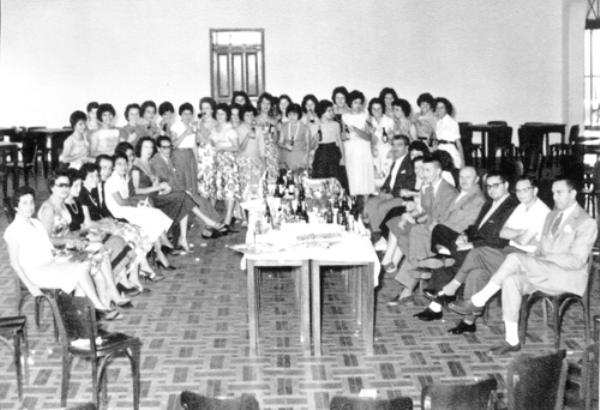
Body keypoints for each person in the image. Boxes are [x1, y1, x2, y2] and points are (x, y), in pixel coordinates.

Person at [450, 177, 597, 354]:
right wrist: (535, 257)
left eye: (559, 192)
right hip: (544, 272)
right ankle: (512, 340)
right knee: (511, 280)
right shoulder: (552, 215)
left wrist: (541, 258)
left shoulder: (586, 222)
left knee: (515, 258)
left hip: (565, 277)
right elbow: (541, 246)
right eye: (553, 193)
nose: (555, 197)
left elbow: (577, 261)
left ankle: (478, 300)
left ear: (573, 194)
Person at [420, 176, 550, 329]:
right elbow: (503, 232)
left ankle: (451, 285)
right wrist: (521, 233)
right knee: (477, 272)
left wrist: (515, 234)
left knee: (476, 254)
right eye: (519, 191)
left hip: (524, 259)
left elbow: (519, 241)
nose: (521, 194)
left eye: (525, 190)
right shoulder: (521, 207)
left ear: (535, 190)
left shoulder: (541, 211)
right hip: (507, 252)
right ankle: (469, 321)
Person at [5, 186, 116, 314]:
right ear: (16, 207)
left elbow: (49, 248)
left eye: (31, 202)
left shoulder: (36, 223)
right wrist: (31, 287)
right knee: (80, 271)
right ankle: (98, 307)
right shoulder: (13, 231)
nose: (29, 207)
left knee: (83, 269)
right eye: (24, 203)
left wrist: (69, 251)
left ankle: (83, 324)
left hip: (50, 264)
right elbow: (14, 263)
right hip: (34, 272)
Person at [37, 171, 130, 314]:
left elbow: (67, 231)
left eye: (67, 185)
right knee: (96, 258)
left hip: (67, 246)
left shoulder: (61, 205)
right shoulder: (48, 209)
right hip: (55, 254)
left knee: (100, 249)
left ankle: (107, 298)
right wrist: (69, 241)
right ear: (52, 187)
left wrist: (80, 239)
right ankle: (101, 303)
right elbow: (44, 241)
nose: (65, 189)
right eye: (61, 185)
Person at [385, 158, 457, 305]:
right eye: (422, 170)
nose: (423, 174)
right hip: (429, 227)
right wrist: (411, 216)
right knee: (402, 226)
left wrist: (418, 221)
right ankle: (414, 276)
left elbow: (441, 220)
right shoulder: (428, 186)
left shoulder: (448, 191)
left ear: (438, 172)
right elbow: (425, 210)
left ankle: (408, 288)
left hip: (443, 232)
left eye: (427, 170)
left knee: (416, 233)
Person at [79, 161, 162, 282]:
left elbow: (100, 213)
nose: (95, 178)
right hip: (94, 229)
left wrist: (109, 221)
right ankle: (133, 275)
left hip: (103, 224)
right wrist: (109, 225)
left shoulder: (93, 191)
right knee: (128, 237)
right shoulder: (83, 193)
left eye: (96, 175)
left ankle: (138, 272)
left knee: (138, 231)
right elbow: (88, 222)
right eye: (91, 176)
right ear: (83, 178)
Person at [66, 168, 144, 294]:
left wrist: (104, 225)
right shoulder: (67, 204)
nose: (79, 189)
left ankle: (122, 280)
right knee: (114, 240)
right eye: (75, 186)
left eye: (79, 185)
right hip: (79, 240)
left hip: (87, 234)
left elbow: (87, 222)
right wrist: (95, 232)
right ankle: (116, 283)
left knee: (120, 239)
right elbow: (82, 227)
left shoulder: (77, 201)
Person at [138, 136, 226, 242]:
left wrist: (184, 189)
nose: (167, 150)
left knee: (201, 200)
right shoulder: (156, 161)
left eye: (169, 147)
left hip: (175, 189)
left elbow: (177, 178)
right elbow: (165, 181)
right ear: (158, 148)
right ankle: (208, 228)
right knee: (196, 201)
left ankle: (213, 224)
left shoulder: (169, 159)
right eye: (164, 147)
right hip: (166, 193)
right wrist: (183, 190)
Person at [104, 152, 174, 270]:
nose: (123, 167)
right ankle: (162, 250)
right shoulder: (111, 181)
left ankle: (161, 248)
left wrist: (136, 204)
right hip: (119, 212)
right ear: (114, 167)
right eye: (119, 164)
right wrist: (135, 204)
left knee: (155, 213)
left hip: (127, 208)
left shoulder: (124, 178)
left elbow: (127, 199)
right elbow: (121, 202)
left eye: (125, 164)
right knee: (148, 217)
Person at [364, 135, 414, 240]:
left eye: (399, 145)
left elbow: (409, 186)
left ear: (407, 148)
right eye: (393, 145)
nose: (395, 148)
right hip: (390, 194)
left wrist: (392, 194)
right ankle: (377, 233)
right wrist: (382, 190)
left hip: (403, 198)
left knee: (383, 207)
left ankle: (386, 238)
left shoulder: (410, 163)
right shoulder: (396, 162)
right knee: (370, 203)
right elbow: (389, 180)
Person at [341, 90, 376, 200]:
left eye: (360, 103)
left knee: (364, 174)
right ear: (350, 103)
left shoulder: (366, 116)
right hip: (350, 147)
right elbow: (343, 135)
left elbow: (368, 136)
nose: (358, 105)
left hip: (363, 147)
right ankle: (353, 203)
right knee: (352, 174)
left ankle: (365, 204)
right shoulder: (344, 116)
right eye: (355, 102)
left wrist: (356, 130)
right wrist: (345, 135)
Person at [159, 101, 199, 195]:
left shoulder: (192, 126)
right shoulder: (175, 126)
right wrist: (185, 134)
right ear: (180, 115)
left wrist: (196, 161)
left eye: (189, 114)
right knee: (181, 179)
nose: (187, 116)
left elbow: (194, 145)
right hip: (179, 155)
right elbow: (173, 144)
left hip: (190, 155)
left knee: (191, 180)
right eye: (185, 113)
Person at [211, 104, 240, 226]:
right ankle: (228, 217)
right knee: (223, 190)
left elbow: (236, 147)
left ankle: (228, 220)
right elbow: (212, 145)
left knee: (230, 190)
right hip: (218, 162)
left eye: (222, 113)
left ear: (227, 115)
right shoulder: (214, 129)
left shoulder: (230, 129)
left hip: (228, 162)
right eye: (217, 113)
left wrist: (223, 147)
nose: (219, 116)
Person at [237, 105, 266, 201]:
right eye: (246, 115)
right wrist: (247, 136)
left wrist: (263, 162)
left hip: (256, 161)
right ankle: (242, 215)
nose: (249, 117)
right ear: (242, 117)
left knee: (256, 189)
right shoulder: (239, 129)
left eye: (251, 115)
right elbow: (240, 149)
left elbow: (261, 147)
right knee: (244, 189)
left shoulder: (258, 129)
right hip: (243, 162)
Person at [312, 100, 343, 181]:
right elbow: (311, 146)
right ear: (322, 112)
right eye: (329, 110)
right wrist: (315, 139)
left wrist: (343, 157)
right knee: (320, 176)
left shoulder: (336, 124)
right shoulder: (314, 126)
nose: (332, 112)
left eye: (333, 110)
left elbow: (340, 141)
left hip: (334, 151)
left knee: (334, 177)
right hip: (321, 152)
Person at [278, 103, 314, 170]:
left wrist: (306, 159)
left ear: (299, 115)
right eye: (290, 114)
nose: (292, 117)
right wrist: (285, 146)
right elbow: (280, 143)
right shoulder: (284, 127)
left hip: (301, 158)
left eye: (294, 114)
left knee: (300, 178)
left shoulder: (305, 127)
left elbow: (308, 146)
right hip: (286, 157)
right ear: (287, 115)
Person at [368, 98, 395, 184]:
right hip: (373, 149)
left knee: (386, 171)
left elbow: (393, 139)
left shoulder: (389, 121)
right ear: (370, 109)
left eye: (379, 108)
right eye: (374, 108)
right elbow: (367, 139)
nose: (376, 111)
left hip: (387, 149)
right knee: (374, 171)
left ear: (383, 108)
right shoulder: (368, 121)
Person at [197, 97, 218, 199]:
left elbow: (218, 142)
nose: (204, 110)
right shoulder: (198, 123)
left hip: (212, 155)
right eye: (202, 108)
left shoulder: (217, 123)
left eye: (207, 108)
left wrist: (208, 139)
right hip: (201, 156)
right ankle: (204, 209)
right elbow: (196, 141)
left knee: (212, 182)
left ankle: (212, 210)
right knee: (201, 182)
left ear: (212, 109)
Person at [434, 97, 464, 168]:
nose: (439, 110)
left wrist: (462, 160)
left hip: (450, 151)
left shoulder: (452, 123)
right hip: (440, 150)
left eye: (442, 108)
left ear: (447, 109)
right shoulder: (438, 123)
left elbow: (458, 143)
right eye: (437, 108)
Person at [256, 93, 279, 178]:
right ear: (259, 104)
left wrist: (273, 133)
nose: (266, 106)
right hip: (259, 152)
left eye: (268, 103)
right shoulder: (255, 120)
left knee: (272, 177)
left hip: (271, 152)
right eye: (263, 103)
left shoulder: (273, 120)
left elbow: (275, 139)